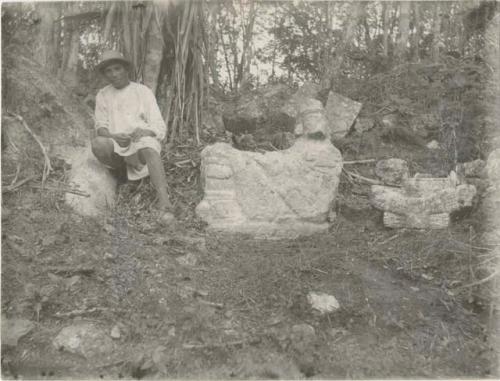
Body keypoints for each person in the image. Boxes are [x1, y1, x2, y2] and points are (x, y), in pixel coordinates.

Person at [91, 50, 175, 224]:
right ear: (105, 74)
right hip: (119, 144)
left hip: (140, 144)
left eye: (117, 69)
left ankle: (164, 202)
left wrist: (145, 131)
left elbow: (159, 126)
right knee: (99, 144)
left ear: (126, 69)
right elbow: (100, 128)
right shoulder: (103, 95)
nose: (114, 74)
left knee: (148, 146)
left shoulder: (142, 91)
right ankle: (121, 174)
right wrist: (114, 135)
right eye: (109, 71)